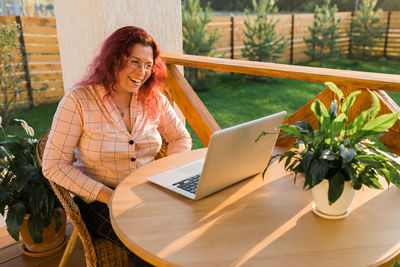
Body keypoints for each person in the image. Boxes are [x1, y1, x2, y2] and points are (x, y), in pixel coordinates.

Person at [42, 26, 192, 265]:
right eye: (134, 62)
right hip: (99, 201)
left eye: (147, 65)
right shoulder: (78, 100)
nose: (142, 72)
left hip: (149, 193)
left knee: (189, 231)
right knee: (151, 247)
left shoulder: (153, 97)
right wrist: (109, 196)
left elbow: (180, 138)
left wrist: (168, 175)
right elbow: (53, 164)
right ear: (114, 59)